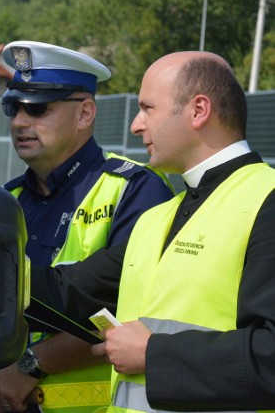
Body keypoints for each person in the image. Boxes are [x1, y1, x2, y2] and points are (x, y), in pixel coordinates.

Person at [0, 41, 174, 413]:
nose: (20, 122)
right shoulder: (3, 201)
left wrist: (29, 365)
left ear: (85, 113)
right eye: (13, 108)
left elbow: (128, 316)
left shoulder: (136, 190)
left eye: (38, 108)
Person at [31, 51, 275, 409]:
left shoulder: (266, 198)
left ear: (198, 110)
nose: (135, 125)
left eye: (148, 108)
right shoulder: (156, 219)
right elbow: (66, 294)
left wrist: (153, 354)